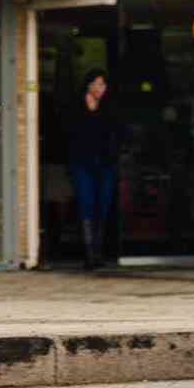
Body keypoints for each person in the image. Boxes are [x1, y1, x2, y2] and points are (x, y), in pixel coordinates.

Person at [66, 69, 122, 269]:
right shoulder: (76, 107)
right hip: (82, 165)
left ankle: (99, 253)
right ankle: (89, 254)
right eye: (97, 84)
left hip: (105, 165)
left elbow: (116, 134)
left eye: (103, 85)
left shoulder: (109, 107)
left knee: (103, 208)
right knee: (86, 207)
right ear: (88, 85)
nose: (100, 88)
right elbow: (70, 135)